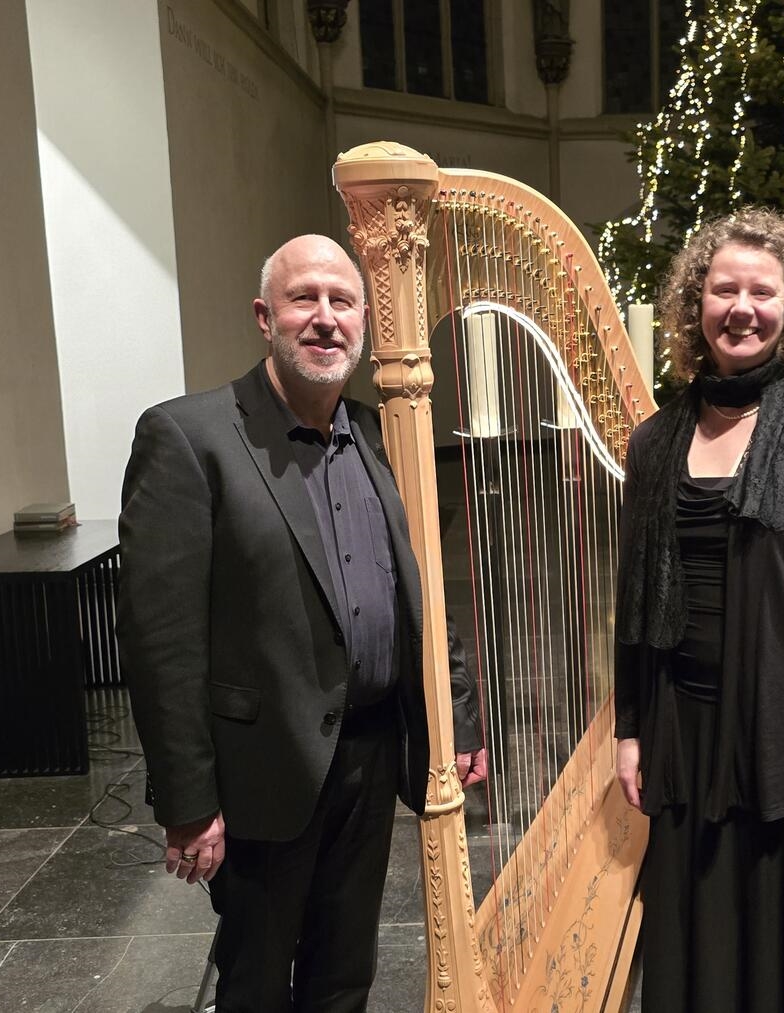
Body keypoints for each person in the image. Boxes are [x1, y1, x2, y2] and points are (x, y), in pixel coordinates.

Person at [118, 234, 486, 1013]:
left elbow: (415, 594)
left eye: (342, 301)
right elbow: (163, 643)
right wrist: (188, 801)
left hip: (373, 754)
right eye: (304, 299)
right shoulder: (190, 437)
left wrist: (455, 719)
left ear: (363, 322)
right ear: (265, 316)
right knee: (255, 982)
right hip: (263, 769)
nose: (325, 318)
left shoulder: (379, 434)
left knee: (345, 972)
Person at [614, 208, 784, 1012]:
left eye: (762, 292)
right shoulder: (656, 442)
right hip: (688, 733)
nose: (742, 307)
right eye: (723, 288)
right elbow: (634, 601)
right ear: (695, 305)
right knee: (703, 949)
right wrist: (631, 727)